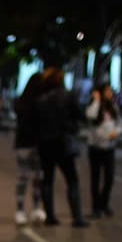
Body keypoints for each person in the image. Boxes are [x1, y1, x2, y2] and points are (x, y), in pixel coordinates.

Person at [35, 68, 89, 227]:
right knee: (72, 179)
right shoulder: (67, 96)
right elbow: (79, 115)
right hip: (63, 143)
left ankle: (50, 216)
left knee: (47, 180)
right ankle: (77, 217)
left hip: (45, 144)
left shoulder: (40, 99)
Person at [13, 73, 47, 226]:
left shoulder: (22, 102)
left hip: (23, 144)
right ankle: (34, 208)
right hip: (34, 144)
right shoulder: (39, 103)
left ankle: (22, 210)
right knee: (36, 178)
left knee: (25, 178)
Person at [86, 85, 121, 218]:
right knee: (95, 179)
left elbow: (119, 124)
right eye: (106, 91)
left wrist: (116, 133)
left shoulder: (113, 108)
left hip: (109, 147)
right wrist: (96, 100)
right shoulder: (94, 107)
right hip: (95, 147)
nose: (110, 93)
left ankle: (104, 203)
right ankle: (96, 208)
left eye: (110, 91)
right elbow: (90, 114)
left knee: (109, 178)